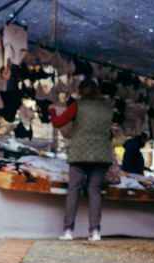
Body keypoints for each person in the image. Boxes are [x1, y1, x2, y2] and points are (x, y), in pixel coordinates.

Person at [51, 78, 114, 242]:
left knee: (74, 191)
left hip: (79, 153)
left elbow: (58, 122)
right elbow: (109, 132)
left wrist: (52, 111)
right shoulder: (108, 108)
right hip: (101, 154)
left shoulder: (77, 106)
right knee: (94, 192)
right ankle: (95, 231)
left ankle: (68, 231)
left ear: (80, 91)